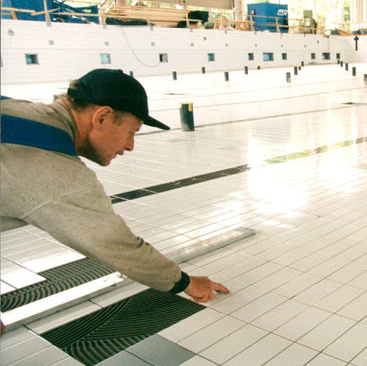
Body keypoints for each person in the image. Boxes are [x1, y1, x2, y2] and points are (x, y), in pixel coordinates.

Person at [1, 69, 229, 307]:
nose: (130, 146)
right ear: (102, 117)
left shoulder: (19, 110)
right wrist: (185, 283)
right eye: (131, 132)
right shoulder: (51, 166)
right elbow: (113, 243)